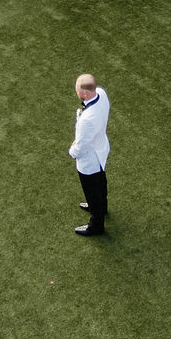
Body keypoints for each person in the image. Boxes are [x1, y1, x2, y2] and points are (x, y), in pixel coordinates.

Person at [69, 74, 110, 237]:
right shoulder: (102, 93)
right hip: (101, 149)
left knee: (92, 191)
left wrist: (72, 151)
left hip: (90, 161)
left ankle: (96, 226)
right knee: (101, 182)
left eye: (77, 89)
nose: (76, 92)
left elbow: (81, 147)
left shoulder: (87, 119)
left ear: (85, 93)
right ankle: (102, 207)